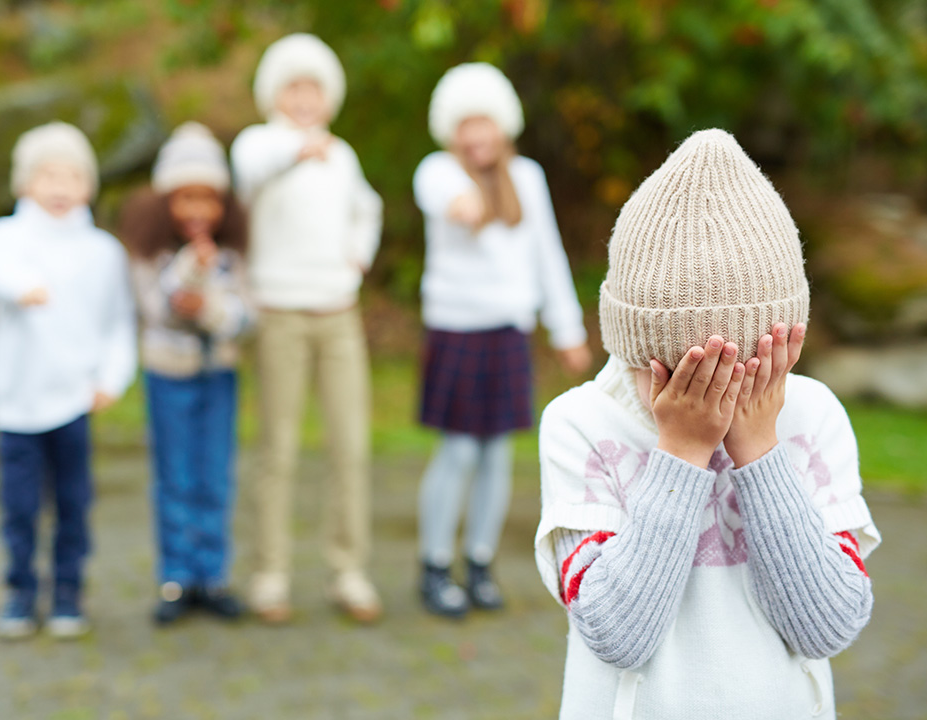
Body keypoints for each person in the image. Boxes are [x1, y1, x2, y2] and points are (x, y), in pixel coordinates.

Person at [534, 129, 877, 719]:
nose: (710, 402)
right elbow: (618, 637)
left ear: (779, 352)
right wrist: (681, 452)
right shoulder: (580, 425)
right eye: (681, 375)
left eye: (738, 374)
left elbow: (828, 628)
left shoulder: (813, 416)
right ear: (634, 347)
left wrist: (762, 451)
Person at [413, 63, 591, 618]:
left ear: (503, 124)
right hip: (457, 330)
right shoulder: (439, 172)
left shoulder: (529, 178)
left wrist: (568, 330)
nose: (475, 137)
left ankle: (480, 562)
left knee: (498, 454)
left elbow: (547, 255)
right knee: (460, 450)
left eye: (483, 123)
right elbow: (449, 200)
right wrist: (468, 202)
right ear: (451, 131)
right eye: (464, 126)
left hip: (507, 332)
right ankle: (435, 564)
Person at [230, 33, 384, 624]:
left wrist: (358, 255)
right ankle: (270, 574)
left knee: (350, 445)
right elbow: (246, 175)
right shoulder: (259, 144)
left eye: (313, 87)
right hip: (279, 314)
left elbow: (366, 208)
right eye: (293, 86)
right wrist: (297, 150)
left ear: (329, 95)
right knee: (281, 448)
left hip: (337, 313)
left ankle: (349, 570)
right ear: (274, 92)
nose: (303, 98)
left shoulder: (341, 154)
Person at [0, 121, 137, 640]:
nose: (59, 187)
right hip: (17, 404)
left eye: (71, 175)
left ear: (88, 185)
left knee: (73, 503)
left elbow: (118, 322)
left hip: (73, 400)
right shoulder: (4, 237)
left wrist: (111, 378)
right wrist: (25, 287)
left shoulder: (102, 251)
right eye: (47, 175)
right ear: (26, 183)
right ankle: (21, 592)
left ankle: (68, 591)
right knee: (19, 507)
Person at [119, 122, 254, 626]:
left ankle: (212, 574)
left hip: (218, 373)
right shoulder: (148, 252)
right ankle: (176, 576)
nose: (198, 211)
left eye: (209, 199)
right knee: (174, 476)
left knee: (214, 475)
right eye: (185, 198)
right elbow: (160, 309)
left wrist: (214, 310)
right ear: (165, 201)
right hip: (167, 374)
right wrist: (193, 276)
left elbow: (244, 316)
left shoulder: (234, 252)